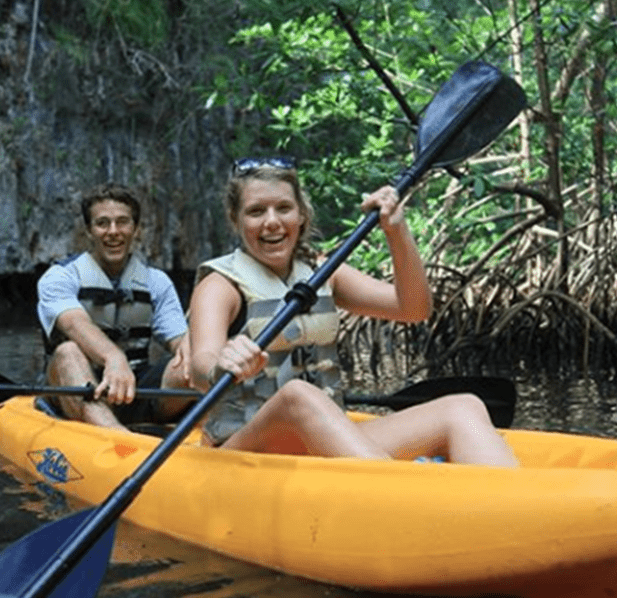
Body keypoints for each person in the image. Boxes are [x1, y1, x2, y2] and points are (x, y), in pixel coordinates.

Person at [187, 157, 517, 466]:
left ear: (301, 215)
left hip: (323, 437)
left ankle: (513, 509)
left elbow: (413, 308)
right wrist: (221, 364)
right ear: (236, 221)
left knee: (463, 406)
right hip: (243, 447)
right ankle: (402, 494)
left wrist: (397, 231)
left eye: (283, 208)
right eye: (256, 211)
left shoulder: (320, 271)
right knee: (298, 396)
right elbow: (201, 366)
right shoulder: (220, 285)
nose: (272, 222)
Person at [37, 183, 191, 431]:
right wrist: (113, 357)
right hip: (78, 387)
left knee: (190, 358)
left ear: (135, 228)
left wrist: (197, 356)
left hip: (137, 389)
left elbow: (179, 340)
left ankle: (211, 429)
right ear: (89, 231)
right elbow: (75, 324)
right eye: (102, 223)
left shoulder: (157, 282)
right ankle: (118, 437)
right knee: (67, 351)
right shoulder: (60, 277)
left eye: (122, 222)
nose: (113, 232)